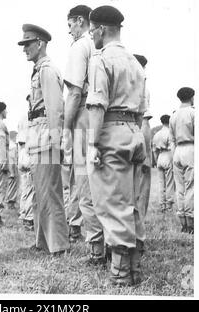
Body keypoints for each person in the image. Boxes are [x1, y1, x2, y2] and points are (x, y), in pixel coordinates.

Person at [86, 6, 147, 285]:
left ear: (101, 29)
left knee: (111, 203)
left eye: (92, 28)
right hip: (133, 131)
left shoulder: (101, 59)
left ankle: (121, 274)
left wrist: (92, 143)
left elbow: (97, 105)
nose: (90, 33)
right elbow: (142, 109)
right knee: (131, 203)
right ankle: (132, 267)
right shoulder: (134, 62)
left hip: (110, 132)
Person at [18, 23, 70, 254]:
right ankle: (43, 242)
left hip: (46, 139)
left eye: (27, 44)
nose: (24, 48)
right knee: (41, 192)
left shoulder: (47, 70)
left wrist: (56, 141)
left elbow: (55, 109)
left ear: (40, 43)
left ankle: (58, 245)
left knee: (50, 192)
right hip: (38, 138)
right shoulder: (39, 70)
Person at [63, 5, 105, 262]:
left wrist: (66, 128)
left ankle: (96, 247)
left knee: (83, 182)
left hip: (82, 115)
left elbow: (75, 92)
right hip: (101, 116)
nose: (69, 30)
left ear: (80, 21)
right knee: (100, 181)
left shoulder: (80, 46)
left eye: (69, 25)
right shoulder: (100, 45)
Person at [169, 87, 195, 234]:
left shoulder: (174, 115)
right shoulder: (193, 112)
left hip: (177, 151)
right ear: (192, 98)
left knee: (180, 188)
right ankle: (191, 223)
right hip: (190, 148)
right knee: (191, 187)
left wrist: (174, 155)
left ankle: (183, 222)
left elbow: (171, 139)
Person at [134, 54, 152, 218]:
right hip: (139, 139)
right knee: (143, 184)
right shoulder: (143, 87)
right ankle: (139, 224)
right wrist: (147, 154)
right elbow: (145, 123)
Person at [153, 115, 175, 213]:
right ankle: (169, 206)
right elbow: (172, 147)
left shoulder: (157, 134)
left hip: (160, 157)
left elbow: (154, 150)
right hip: (168, 155)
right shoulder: (170, 133)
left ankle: (162, 205)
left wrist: (156, 160)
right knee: (169, 182)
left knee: (161, 183)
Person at [17, 112, 35, 231]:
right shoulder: (32, 117)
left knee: (25, 188)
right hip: (29, 151)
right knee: (30, 190)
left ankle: (23, 213)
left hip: (22, 152)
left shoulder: (22, 118)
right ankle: (29, 219)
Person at [6, 130, 19, 210]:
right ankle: (11, 203)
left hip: (12, 167)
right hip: (12, 167)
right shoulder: (13, 146)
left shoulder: (10, 145)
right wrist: (12, 172)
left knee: (11, 186)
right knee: (12, 186)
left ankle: (11, 202)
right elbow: (11, 159)